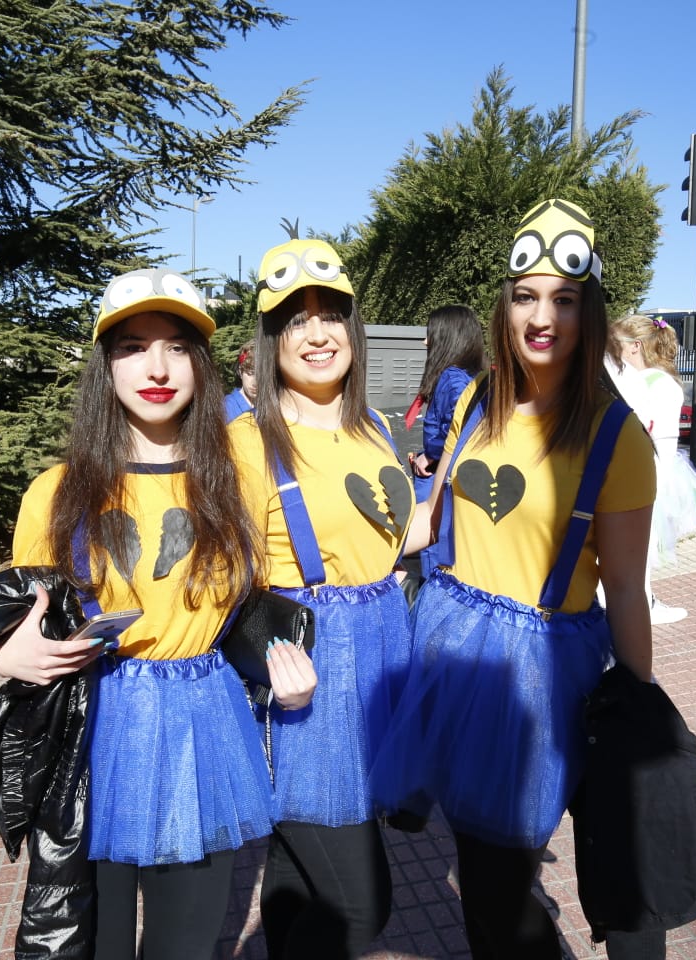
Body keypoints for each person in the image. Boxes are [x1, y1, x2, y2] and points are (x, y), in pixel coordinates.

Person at [374, 199, 660, 959]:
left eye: (565, 300)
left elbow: (626, 588)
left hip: (539, 669)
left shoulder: (614, 433)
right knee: (481, 873)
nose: (544, 318)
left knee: (503, 886)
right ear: (505, 306)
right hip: (452, 648)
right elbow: (431, 517)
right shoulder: (475, 397)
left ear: (589, 310)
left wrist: (640, 705)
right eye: (527, 297)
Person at [4, 268, 317, 958]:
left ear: (202, 365)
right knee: (98, 942)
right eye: (132, 347)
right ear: (103, 365)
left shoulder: (237, 480)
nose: (156, 367)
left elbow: (261, 602)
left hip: (205, 726)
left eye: (177, 347)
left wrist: (288, 669)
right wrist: (9, 654)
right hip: (94, 730)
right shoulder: (53, 495)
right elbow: (17, 623)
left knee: (187, 943)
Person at [228, 236, 413, 959]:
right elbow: (224, 582)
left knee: (294, 881)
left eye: (330, 313)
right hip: (307, 676)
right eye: (293, 319)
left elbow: (390, 536)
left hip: (381, 656)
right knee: (360, 908)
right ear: (271, 340)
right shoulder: (248, 444)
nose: (315, 333)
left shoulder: (375, 428)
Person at [607, 314, 696, 625]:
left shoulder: (657, 383)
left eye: (616, 344)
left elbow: (649, 429)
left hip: (655, 471)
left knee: (644, 541)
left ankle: (643, 601)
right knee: (634, 542)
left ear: (635, 347)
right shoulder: (641, 380)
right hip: (642, 468)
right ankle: (636, 600)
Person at [404, 304, 486, 601]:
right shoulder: (465, 374)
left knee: (434, 559)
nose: (426, 342)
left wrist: (432, 454)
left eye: (430, 334)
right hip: (439, 475)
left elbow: (465, 429)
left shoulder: (452, 378)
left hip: (439, 483)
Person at [224, 338, 258, 420]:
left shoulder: (272, 407)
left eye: (261, 376)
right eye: (250, 373)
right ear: (240, 371)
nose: (255, 382)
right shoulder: (225, 408)